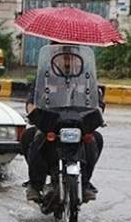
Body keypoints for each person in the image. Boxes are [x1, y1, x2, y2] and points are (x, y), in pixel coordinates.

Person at [20, 44, 104, 203]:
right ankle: (35, 184)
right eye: (63, 54)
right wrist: (33, 112)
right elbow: (32, 100)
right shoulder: (44, 75)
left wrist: (98, 112)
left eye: (70, 54)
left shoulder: (86, 76)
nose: (67, 59)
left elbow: (97, 101)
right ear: (54, 54)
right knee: (32, 137)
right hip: (51, 121)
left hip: (78, 122)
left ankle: (85, 183)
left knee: (95, 139)